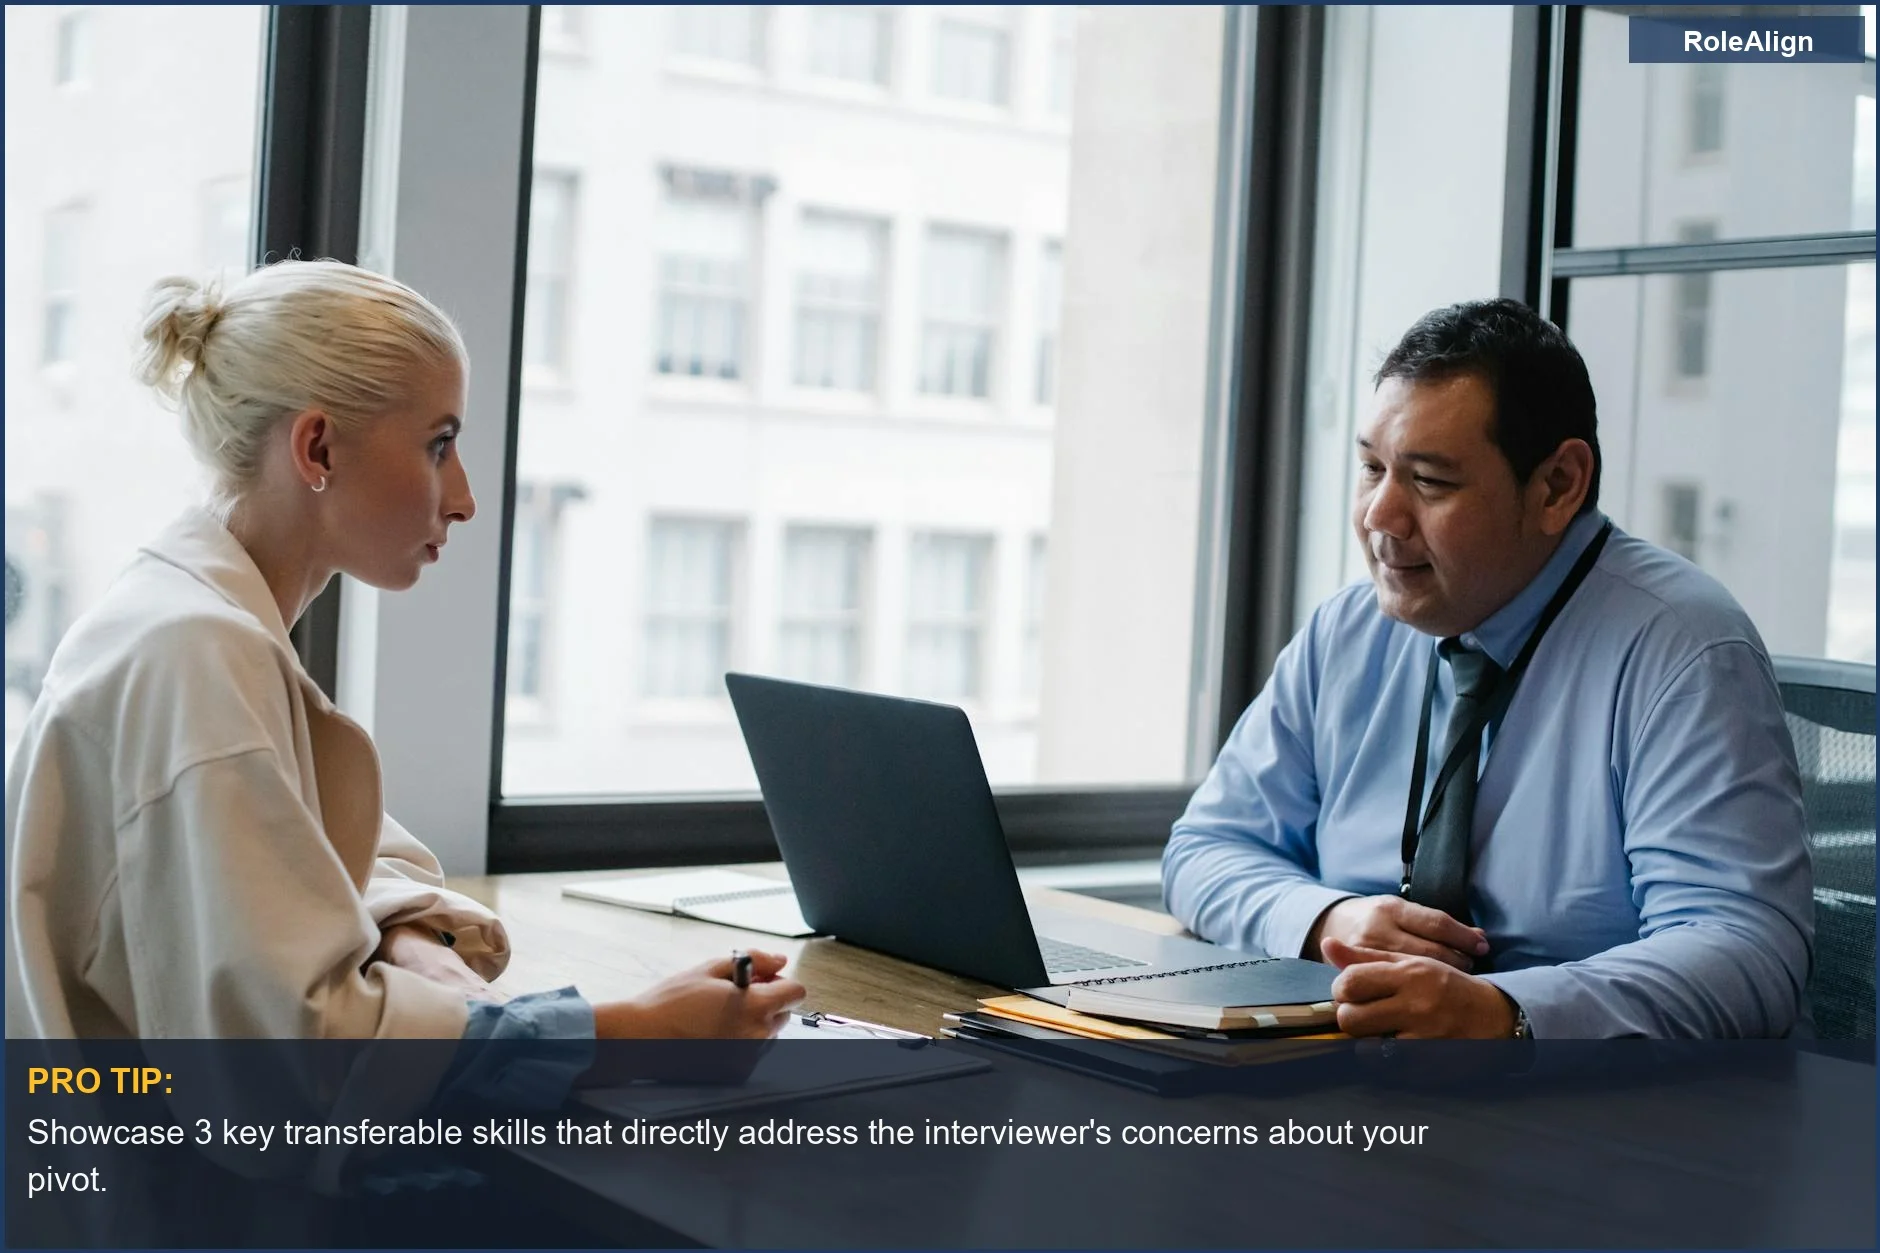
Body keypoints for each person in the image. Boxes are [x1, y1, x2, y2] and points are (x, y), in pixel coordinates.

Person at [4, 258, 805, 1044]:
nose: (463, 498)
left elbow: (313, 865)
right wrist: (636, 1032)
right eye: (438, 444)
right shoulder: (198, 653)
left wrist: (407, 940)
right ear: (317, 449)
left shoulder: (186, 618)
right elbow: (301, 1058)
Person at [1162, 298, 1812, 1040]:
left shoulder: (1683, 647)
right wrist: (1326, 918)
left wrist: (1506, 1014)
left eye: (1430, 482)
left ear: (1558, 485)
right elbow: (1204, 850)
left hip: (1614, 1116)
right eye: (1372, 467)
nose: (1380, 515)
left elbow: (1748, 951)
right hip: (1372, 1083)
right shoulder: (1347, 631)